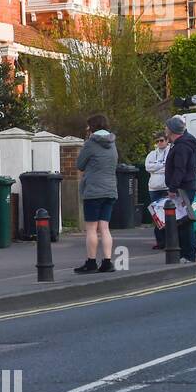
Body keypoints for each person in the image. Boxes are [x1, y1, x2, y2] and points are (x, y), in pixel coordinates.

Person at [74, 113, 119, 274]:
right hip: (110, 190)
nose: (86, 129)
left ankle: (91, 262)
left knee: (92, 228)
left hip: (94, 190)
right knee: (105, 228)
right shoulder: (112, 143)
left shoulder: (90, 144)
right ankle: (107, 262)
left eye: (88, 126)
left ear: (93, 127)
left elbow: (80, 164)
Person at [164, 115, 196, 263]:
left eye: (166, 127)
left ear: (172, 130)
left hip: (183, 187)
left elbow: (180, 169)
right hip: (186, 186)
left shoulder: (182, 146)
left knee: (185, 222)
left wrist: (172, 188)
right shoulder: (182, 143)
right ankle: (184, 254)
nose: (164, 130)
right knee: (183, 221)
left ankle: (188, 256)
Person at [144, 131, 170, 249]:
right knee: (157, 216)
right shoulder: (151, 154)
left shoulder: (170, 151)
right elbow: (148, 167)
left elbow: (169, 167)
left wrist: (156, 167)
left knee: (169, 215)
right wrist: (161, 166)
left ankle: (171, 241)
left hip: (166, 188)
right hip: (154, 188)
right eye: (157, 141)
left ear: (166, 140)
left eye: (161, 140)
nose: (159, 143)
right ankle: (160, 242)